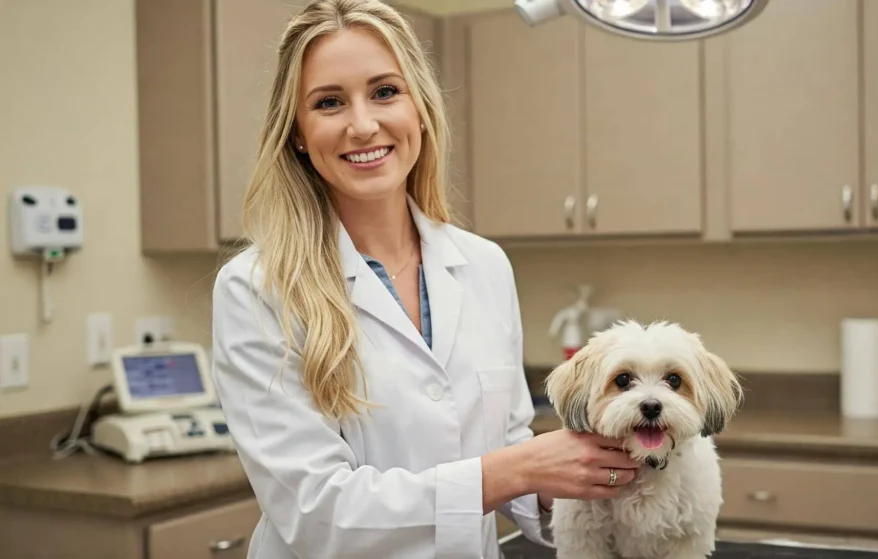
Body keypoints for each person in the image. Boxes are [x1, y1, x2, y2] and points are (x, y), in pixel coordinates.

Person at [210, 1, 640, 557]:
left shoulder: (484, 265)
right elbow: (316, 513)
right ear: (296, 132)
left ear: (420, 109)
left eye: (385, 92)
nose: (362, 124)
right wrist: (518, 467)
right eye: (329, 102)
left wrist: (589, 486)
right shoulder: (256, 289)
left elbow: (506, 449)